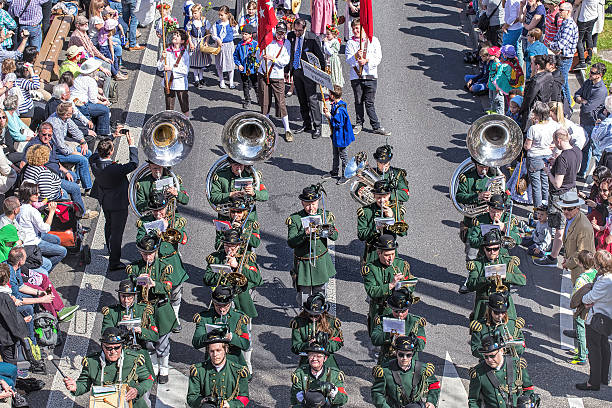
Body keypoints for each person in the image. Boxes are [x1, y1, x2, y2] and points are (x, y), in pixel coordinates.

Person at [125, 233, 178, 384]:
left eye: (150, 254)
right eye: (145, 254)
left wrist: (154, 284)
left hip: (161, 308)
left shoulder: (164, 267)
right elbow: (130, 286)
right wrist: (138, 281)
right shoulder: (135, 267)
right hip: (144, 309)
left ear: (156, 252)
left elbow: (168, 287)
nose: (148, 257)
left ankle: (164, 367)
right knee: (147, 340)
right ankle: (154, 364)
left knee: (162, 340)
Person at [136, 191, 188, 332]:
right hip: (153, 262)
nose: (158, 214)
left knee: (175, 293)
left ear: (166, 207)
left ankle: (175, 318)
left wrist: (169, 228)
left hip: (171, 261)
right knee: (153, 292)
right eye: (154, 210)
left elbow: (184, 239)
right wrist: (153, 232)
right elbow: (138, 240)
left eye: (160, 210)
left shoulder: (175, 219)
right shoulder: (146, 222)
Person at [63, 327, 154, 408]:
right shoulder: (91, 362)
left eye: (117, 348)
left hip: (131, 404)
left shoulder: (133, 359)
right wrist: (75, 387)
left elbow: (148, 379)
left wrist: (137, 390)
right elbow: (84, 384)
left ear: (122, 346)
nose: (113, 352)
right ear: (102, 346)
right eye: (108, 348)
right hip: (104, 403)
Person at [89, 131, 138, 271]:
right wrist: (132, 145)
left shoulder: (94, 162)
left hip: (105, 200)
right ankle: (114, 261)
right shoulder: (115, 168)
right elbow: (134, 163)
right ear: (111, 152)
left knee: (109, 225)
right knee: (117, 233)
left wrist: (111, 137)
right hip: (119, 203)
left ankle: (110, 248)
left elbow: (94, 155)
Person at [536, 128, 583, 267]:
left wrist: (548, 171)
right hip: (572, 191)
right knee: (569, 225)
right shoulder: (577, 151)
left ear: (558, 140)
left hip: (560, 197)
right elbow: (575, 169)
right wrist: (555, 164)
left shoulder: (563, 157)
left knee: (559, 229)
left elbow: (557, 184)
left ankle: (553, 257)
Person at [286, 184, 337, 305]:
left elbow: (335, 236)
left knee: (320, 295)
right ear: (302, 203)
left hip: (320, 261)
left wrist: (327, 228)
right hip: (304, 263)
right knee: (304, 297)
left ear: (318, 201)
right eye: (307, 204)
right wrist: (305, 233)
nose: (311, 208)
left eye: (313, 204)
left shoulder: (325, 215)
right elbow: (291, 242)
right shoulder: (295, 219)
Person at [466, 229, 526, 322]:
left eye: (495, 249)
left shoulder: (507, 262)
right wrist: (486, 279)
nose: (492, 252)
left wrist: (506, 276)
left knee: (510, 332)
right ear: (484, 249)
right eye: (489, 249)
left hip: (504, 304)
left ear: (499, 247)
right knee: (481, 333)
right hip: (485, 304)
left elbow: (522, 280)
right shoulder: (477, 264)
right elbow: (470, 285)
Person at [100, 279, 157, 375]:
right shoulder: (111, 312)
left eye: (129, 297)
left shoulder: (143, 310)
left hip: (138, 350)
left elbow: (155, 335)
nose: (126, 300)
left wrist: (140, 330)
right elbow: (105, 334)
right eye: (123, 296)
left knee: (145, 380)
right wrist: (121, 326)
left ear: (134, 296)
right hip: (118, 351)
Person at [204, 228, 262, 319]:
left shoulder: (247, 257)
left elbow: (257, 279)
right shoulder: (215, 258)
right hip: (222, 298)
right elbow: (206, 279)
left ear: (239, 245)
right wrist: (224, 271)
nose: (229, 249)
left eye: (233, 246)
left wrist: (238, 266)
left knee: (242, 325)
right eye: (226, 245)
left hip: (241, 295)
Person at [361, 234, 414, 334]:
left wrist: (406, 287)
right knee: (379, 341)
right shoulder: (371, 268)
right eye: (387, 255)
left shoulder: (401, 264)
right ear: (379, 253)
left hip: (397, 309)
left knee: (396, 341)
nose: (391, 258)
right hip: (379, 309)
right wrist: (391, 285)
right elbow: (371, 291)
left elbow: (411, 283)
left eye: (393, 254)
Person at [346, 19, 390, 136]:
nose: (355, 31)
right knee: (358, 101)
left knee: (369, 102)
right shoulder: (350, 43)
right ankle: (359, 123)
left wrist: (366, 60)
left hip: (371, 76)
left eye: (357, 28)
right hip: (356, 77)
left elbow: (378, 57)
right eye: (353, 28)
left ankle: (376, 126)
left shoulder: (373, 40)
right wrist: (356, 56)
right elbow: (348, 61)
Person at [576, 249, 612, 390]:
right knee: (604, 347)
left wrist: (585, 299)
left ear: (598, 265)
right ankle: (604, 377)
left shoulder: (604, 281)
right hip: (607, 318)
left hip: (597, 319)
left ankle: (594, 382)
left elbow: (588, 298)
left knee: (594, 350)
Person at [371, 335, 440, 408]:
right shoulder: (385, 370)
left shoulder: (422, 368)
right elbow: (377, 393)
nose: (404, 358)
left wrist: (431, 402)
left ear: (412, 354)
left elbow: (434, 385)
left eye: (408, 355)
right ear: (396, 353)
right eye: (401, 354)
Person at [187, 328, 250, 407]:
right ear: (208, 351)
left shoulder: (238, 371)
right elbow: (191, 398)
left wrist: (230, 405)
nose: (215, 354)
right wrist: (202, 401)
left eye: (218, 350)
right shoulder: (198, 370)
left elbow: (244, 397)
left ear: (226, 350)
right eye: (212, 351)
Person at [192, 285, 251, 370]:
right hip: (213, 365)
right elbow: (196, 343)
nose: (222, 309)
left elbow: (246, 344)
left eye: (226, 305)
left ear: (231, 303)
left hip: (234, 364)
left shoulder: (239, 318)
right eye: (218, 305)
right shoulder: (204, 317)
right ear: (213, 303)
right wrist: (209, 335)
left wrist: (231, 337)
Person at [286, 18, 326, 139]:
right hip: (296, 71)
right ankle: (306, 123)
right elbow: (290, 53)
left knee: (312, 99)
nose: (297, 33)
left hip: (309, 73)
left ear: (304, 29)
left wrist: (321, 74)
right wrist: (287, 71)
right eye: (295, 30)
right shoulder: (291, 36)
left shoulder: (312, 38)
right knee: (302, 99)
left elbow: (320, 57)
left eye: (299, 31)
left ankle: (317, 126)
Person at [468, 335, 534, 407]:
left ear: (501, 351)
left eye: (492, 356)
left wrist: (528, 402)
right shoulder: (478, 372)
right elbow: (473, 400)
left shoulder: (517, 365)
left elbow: (528, 388)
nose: (489, 360)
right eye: (486, 357)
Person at [16, 182, 67, 271]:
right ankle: (43, 267)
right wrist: (52, 212)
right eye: (35, 193)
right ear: (28, 195)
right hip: (32, 242)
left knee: (56, 240)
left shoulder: (19, 207)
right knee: (63, 251)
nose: (38, 195)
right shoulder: (31, 211)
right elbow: (45, 229)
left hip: (28, 237)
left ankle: (40, 258)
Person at [256, 21, 292, 141]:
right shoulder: (268, 39)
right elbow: (258, 55)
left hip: (277, 75)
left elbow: (285, 60)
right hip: (263, 73)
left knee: (280, 102)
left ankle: (287, 129)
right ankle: (266, 128)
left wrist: (273, 59)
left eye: (282, 33)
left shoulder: (286, 43)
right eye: (278, 32)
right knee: (264, 102)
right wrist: (261, 52)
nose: (280, 35)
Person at [371, 287, 426, 365]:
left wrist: (409, 340)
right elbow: (375, 339)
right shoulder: (383, 320)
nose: (400, 314)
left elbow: (421, 345)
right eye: (396, 311)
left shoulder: (416, 322)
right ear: (391, 309)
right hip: (388, 362)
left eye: (403, 311)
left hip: (409, 363)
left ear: (408, 309)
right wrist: (389, 334)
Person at [45, 102, 93, 191]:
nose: (74, 111)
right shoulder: (55, 124)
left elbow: (74, 129)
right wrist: (75, 152)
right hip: (55, 152)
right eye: (71, 111)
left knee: (87, 152)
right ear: (66, 114)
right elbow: (61, 146)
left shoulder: (65, 118)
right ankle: (88, 187)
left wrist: (83, 142)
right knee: (82, 159)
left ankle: (78, 178)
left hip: (62, 147)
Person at [357, 181, 408, 264]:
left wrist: (392, 217)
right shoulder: (366, 211)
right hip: (372, 252)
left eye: (384, 196)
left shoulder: (396, 209)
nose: (382, 200)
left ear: (389, 195)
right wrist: (375, 228)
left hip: (390, 250)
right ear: (374, 196)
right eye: (378, 197)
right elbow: (361, 235)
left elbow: (403, 233)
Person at [290, 293, 343, 369]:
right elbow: (295, 347)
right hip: (308, 360)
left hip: (327, 361)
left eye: (316, 315)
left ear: (322, 313)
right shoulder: (298, 323)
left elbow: (338, 343)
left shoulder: (331, 322)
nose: (313, 318)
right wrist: (308, 345)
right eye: (311, 315)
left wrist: (325, 343)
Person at [290, 340, 348, 407]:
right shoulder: (300, 374)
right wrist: (305, 396)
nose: (314, 359)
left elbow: (343, 399)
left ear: (325, 358)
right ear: (308, 357)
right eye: (311, 355)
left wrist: (333, 392)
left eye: (319, 356)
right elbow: (294, 399)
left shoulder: (335, 374)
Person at [575, 63, 608, 179]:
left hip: (593, 123)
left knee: (596, 152)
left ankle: (601, 177)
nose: (590, 74)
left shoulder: (601, 91)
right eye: (590, 71)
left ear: (599, 75)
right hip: (584, 120)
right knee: (585, 148)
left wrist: (583, 102)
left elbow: (588, 108)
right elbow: (576, 95)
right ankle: (583, 172)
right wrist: (582, 101)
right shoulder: (588, 82)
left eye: (593, 73)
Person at [524, 101, 560, 208]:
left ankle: (538, 211)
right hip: (547, 156)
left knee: (536, 186)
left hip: (534, 158)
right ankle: (545, 208)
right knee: (545, 183)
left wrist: (524, 144)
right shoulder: (552, 126)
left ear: (537, 115)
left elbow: (528, 146)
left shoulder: (533, 129)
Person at [470, 292, 525, 360]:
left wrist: (513, 345)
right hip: (489, 362)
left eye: (503, 312)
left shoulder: (513, 324)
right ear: (490, 311)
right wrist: (491, 352)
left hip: (509, 362)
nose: (500, 315)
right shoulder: (481, 327)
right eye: (496, 312)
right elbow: (475, 349)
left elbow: (522, 347)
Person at [566, 250, 598, 365]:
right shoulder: (595, 273)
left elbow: (576, 296)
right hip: (593, 308)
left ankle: (581, 356)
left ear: (580, 263)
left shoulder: (581, 279)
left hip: (582, 308)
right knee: (587, 330)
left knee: (580, 329)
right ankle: (583, 348)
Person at [70, 59, 112, 137]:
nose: (97, 70)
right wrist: (103, 103)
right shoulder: (91, 81)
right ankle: (103, 132)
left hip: (75, 102)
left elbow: (89, 92)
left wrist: (100, 97)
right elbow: (93, 100)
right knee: (104, 110)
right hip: (82, 105)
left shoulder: (78, 77)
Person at [547, 2, 578, 104]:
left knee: (562, 83)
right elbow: (556, 38)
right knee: (562, 83)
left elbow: (561, 44)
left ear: (568, 11)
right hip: (561, 56)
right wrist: (553, 44)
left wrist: (550, 44)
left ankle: (568, 105)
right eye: (559, 10)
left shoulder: (569, 25)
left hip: (565, 59)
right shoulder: (564, 22)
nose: (559, 12)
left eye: (561, 10)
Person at [322, 85, 354, 185]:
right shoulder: (337, 104)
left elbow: (338, 124)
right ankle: (334, 172)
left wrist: (329, 116)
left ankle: (346, 175)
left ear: (332, 95)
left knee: (343, 157)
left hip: (341, 137)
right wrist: (329, 112)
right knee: (335, 154)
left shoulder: (340, 109)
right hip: (336, 136)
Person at [158, 29, 191, 117]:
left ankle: (186, 121)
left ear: (182, 41)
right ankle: (170, 122)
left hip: (180, 83)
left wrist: (171, 69)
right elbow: (160, 67)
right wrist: (162, 58)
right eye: (175, 34)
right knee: (169, 106)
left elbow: (185, 70)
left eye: (178, 35)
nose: (175, 36)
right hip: (168, 82)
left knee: (184, 104)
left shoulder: (184, 54)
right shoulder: (167, 50)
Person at [519, 55, 553, 131]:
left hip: (535, 111)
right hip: (545, 107)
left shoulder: (536, 81)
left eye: (531, 63)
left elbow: (528, 99)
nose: (530, 66)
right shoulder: (549, 75)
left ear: (537, 66)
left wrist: (521, 111)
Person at [212, 5, 238, 89]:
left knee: (230, 63)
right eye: (219, 15)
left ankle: (231, 81)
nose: (220, 17)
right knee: (219, 63)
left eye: (222, 15)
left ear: (227, 14)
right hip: (220, 46)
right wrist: (217, 39)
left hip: (228, 46)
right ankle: (221, 80)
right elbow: (213, 34)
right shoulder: (216, 24)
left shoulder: (231, 24)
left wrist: (229, 40)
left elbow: (235, 34)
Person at [233, 24, 258, 108]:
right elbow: (235, 56)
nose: (243, 35)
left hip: (252, 69)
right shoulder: (240, 44)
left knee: (255, 84)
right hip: (243, 69)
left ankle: (260, 99)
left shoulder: (255, 44)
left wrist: (256, 62)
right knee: (245, 84)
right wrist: (239, 64)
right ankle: (247, 99)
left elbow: (259, 55)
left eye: (246, 34)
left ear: (251, 35)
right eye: (242, 33)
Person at [187, 4, 212, 89]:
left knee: (201, 61)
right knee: (195, 60)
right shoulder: (191, 22)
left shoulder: (204, 21)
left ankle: (201, 77)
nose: (194, 15)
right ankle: (196, 78)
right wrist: (191, 43)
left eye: (196, 13)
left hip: (202, 41)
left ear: (200, 12)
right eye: (193, 13)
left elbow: (208, 33)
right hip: (194, 41)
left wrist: (206, 42)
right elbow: (188, 34)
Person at [574, 0, 600, 69]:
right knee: (589, 36)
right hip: (593, 15)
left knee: (579, 39)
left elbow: (577, 2)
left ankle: (582, 62)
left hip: (584, 18)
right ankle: (589, 59)